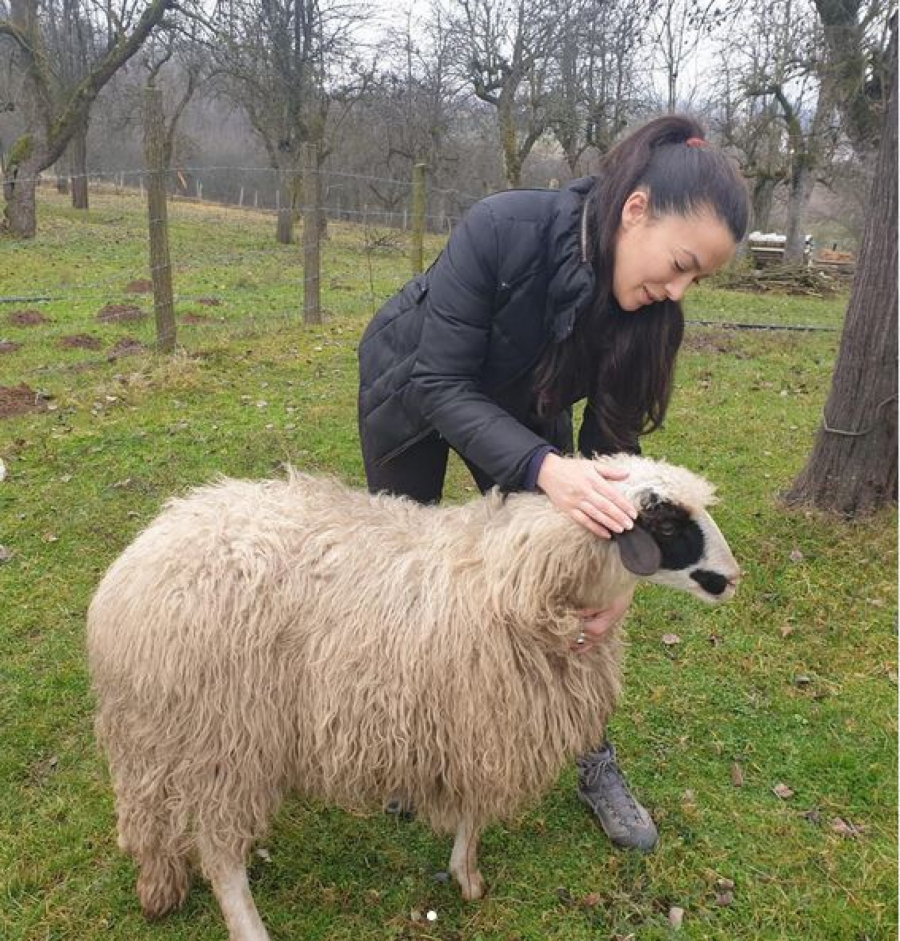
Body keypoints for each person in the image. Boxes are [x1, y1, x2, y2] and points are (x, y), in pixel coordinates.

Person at [357, 114, 750, 852]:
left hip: (522, 403)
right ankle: (409, 746)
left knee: (569, 567)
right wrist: (547, 469)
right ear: (636, 210)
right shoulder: (503, 225)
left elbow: (616, 464)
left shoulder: (652, 314)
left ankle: (589, 751)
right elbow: (442, 380)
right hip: (410, 390)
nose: (679, 288)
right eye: (681, 262)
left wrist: (620, 579)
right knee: (406, 587)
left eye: (699, 277)